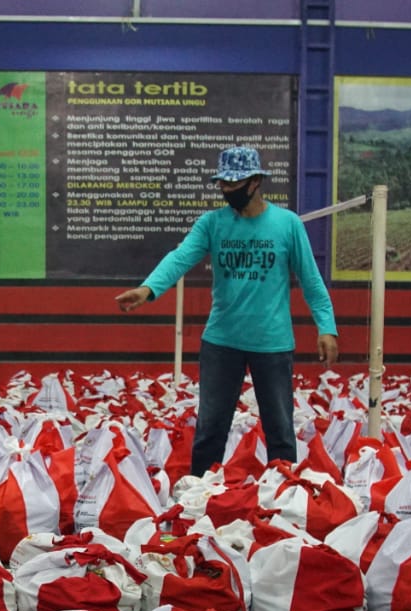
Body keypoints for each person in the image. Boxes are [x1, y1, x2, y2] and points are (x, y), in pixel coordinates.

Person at [115, 146, 339, 475]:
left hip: (272, 343)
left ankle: (286, 492)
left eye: (233, 185)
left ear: (254, 183)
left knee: (280, 430)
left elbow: (311, 280)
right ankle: (200, 494)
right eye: (222, 184)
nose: (226, 191)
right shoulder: (212, 224)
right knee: (210, 429)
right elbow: (180, 257)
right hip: (221, 342)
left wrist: (327, 327)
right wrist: (149, 289)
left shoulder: (287, 225)